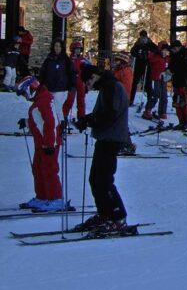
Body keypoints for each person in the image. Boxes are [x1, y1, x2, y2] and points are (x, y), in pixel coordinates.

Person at [73, 64, 130, 233]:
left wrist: (90, 121)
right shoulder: (107, 87)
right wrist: (87, 119)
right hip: (105, 137)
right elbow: (104, 113)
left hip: (111, 138)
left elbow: (110, 114)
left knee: (103, 179)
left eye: (89, 82)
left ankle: (117, 216)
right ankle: (105, 213)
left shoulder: (112, 86)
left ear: (95, 76)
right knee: (96, 179)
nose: (90, 86)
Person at [16, 76, 66, 211]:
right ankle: (42, 197)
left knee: (49, 170)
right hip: (41, 143)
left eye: (24, 93)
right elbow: (40, 119)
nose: (25, 97)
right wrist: (26, 122)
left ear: (30, 88)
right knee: (38, 170)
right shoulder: (40, 100)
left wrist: (50, 144)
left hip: (49, 144)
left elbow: (51, 123)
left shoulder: (44, 100)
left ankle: (56, 199)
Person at [38, 38, 75, 126]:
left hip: (61, 89)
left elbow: (71, 73)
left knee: (57, 107)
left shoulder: (66, 60)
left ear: (62, 48)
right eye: (55, 46)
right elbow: (43, 72)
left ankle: (60, 126)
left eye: (59, 46)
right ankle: (51, 125)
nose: (57, 48)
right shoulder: (49, 59)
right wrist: (42, 84)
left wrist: (72, 86)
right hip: (49, 88)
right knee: (49, 108)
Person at [168, 40, 187, 131]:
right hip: (176, 82)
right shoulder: (173, 55)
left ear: (179, 47)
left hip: (185, 83)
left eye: (174, 49)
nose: (173, 50)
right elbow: (172, 67)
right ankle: (181, 121)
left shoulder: (185, 55)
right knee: (177, 103)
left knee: (186, 103)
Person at [142, 42, 169, 121]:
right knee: (155, 95)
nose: (165, 52)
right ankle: (148, 110)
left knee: (164, 95)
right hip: (155, 78)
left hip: (164, 79)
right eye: (164, 50)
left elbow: (169, 67)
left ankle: (162, 112)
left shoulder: (167, 58)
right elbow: (149, 60)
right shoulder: (155, 57)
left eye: (166, 50)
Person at [63, 39, 89, 122]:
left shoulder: (83, 59)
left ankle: (81, 118)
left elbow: (88, 71)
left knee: (81, 100)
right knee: (69, 100)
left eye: (79, 49)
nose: (78, 51)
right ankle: (64, 116)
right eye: (76, 49)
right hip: (72, 82)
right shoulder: (69, 59)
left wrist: (87, 83)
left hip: (81, 82)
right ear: (72, 49)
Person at [129, 30, 156, 106]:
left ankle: (149, 101)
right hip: (139, 65)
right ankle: (131, 99)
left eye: (144, 37)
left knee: (148, 84)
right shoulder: (137, 44)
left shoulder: (150, 43)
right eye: (141, 37)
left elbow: (156, 50)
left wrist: (149, 54)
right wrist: (138, 54)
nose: (143, 39)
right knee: (134, 82)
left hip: (148, 65)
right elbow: (132, 52)